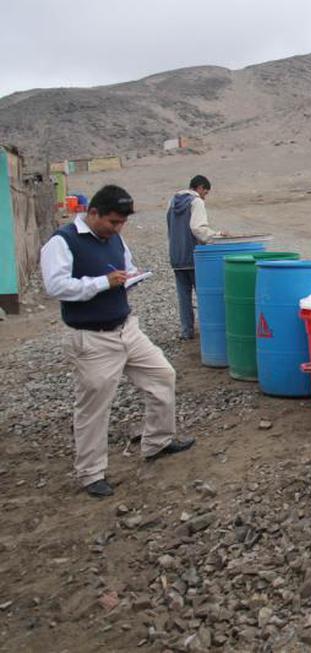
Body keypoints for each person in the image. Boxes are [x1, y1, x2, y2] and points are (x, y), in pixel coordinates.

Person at [41, 185, 195, 498]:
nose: (118, 228)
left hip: (127, 329)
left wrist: (132, 277)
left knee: (162, 375)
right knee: (94, 407)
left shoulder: (115, 239)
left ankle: (158, 441)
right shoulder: (62, 242)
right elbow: (56, 286)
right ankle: (91, 473)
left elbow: (124, 267)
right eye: (113, 222)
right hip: (92, 339)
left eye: (122, 222)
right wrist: (103, 282)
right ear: (93, 213)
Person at [166, 174, 225, 340]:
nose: (205, 197)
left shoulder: (172, 202)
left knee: (183, 297)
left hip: (176, 256)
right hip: (193, 255)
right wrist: (217, 236)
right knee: (204, 295)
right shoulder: (196, 202)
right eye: (205, 193)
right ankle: (208, 330)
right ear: (200, 188)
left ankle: (186, 331)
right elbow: (198, 228)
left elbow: (170, 228)